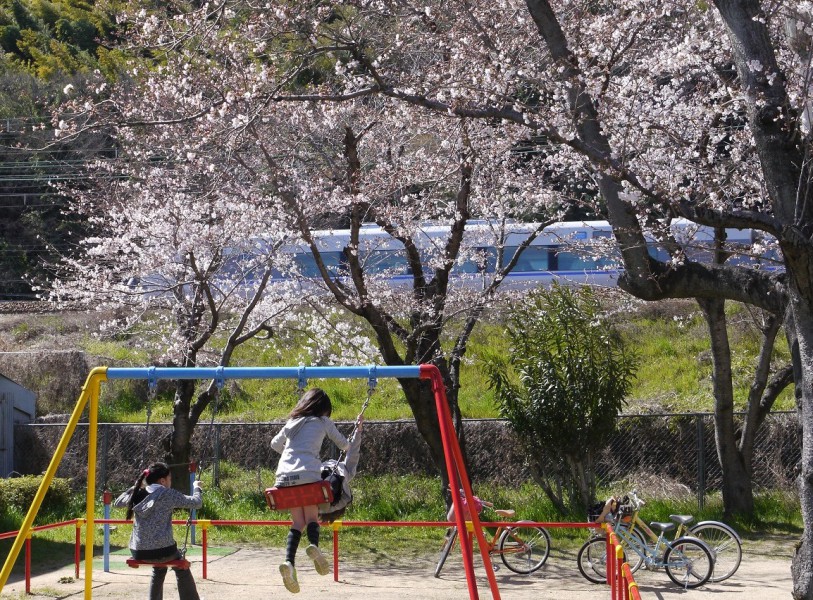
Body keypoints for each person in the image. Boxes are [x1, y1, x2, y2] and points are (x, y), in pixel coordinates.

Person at [271, 387, 352, 593]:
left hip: (284, 478)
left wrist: (291, 451)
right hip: (308, 475)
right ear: (323, 409)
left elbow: (274, 444)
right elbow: (343, 445)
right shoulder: (323, 421)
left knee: (298, 522)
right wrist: (352, 439)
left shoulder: (291, 422)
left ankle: (289, 562)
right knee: (312, 518)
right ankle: (313, 545)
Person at [113, 462, 203, 600]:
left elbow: (118, 502)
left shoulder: (139, 493)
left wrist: (136, 487)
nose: (170, 482)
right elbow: (196, 502)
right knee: (181, 567)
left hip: (139, 551)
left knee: (159, 568)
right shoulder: (167, 494)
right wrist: (197, 488)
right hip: (165, 551)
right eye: (170, 479)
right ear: (162, 481)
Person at [318, 418, 363, 522]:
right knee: (332, 481)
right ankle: (328, 492)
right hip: (333, 482)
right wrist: (358, 430)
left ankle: (326, 493)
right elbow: (353, 452)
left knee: (324, 480)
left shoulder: (316, 469)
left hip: (319, 481)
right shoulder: (347, 472)